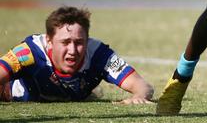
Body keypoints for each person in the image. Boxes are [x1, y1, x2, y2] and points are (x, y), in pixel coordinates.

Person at [0, 6, 153, 103]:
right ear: (49, 41)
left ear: (87, 39)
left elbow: (143, 86)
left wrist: (139, 97)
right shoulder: (30, 51)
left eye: (79, 42)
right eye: (65, 42)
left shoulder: (98, 54)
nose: (73, 50)